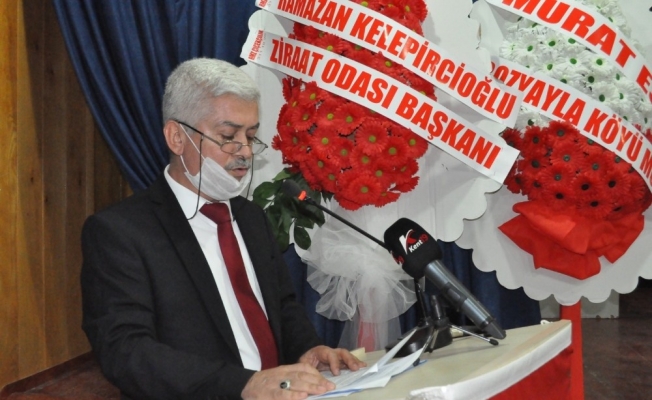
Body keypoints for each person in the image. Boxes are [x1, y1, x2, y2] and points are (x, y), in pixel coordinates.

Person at [80, 58, 365, 400]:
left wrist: (308, 350)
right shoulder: (120, 232)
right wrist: (243, 384)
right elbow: (126, 352)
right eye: (228, 136)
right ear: (177, 137)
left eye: (251, 136)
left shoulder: (251, 217)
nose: (245, 152)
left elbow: (282, 306)